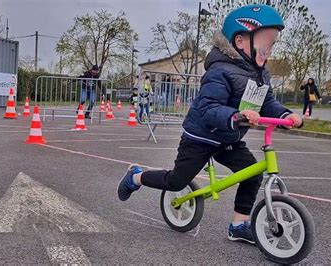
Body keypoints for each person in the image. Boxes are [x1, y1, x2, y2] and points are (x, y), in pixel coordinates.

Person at [117, 4, 303, 244]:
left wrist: (286, 115)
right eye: (266, 42)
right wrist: (236, 116)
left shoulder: (260, 74)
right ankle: (136, 177)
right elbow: (208, 108)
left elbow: (267, 102)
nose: (269, 49)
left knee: (252, 175)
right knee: (177, 181)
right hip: (201, 137)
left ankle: (238, 225)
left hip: (228, 138)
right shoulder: (220, 72)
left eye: (273, 43)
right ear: (240, 41)